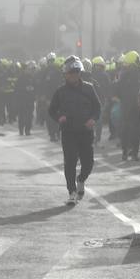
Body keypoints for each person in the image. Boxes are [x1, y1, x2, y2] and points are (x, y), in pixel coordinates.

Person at [47, 55, 102, 206]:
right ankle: (71, 191)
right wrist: (59, 117)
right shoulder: (60, 91)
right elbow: (52, 110)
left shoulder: (89, 88)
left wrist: (93, 119)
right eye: (70, 73)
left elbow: (97, 108)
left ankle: (81, 179)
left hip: (85, 131)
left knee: (88, 163)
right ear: (65, 74)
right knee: (70, 162)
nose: (73, 75)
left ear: (80, 73)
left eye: (76, 72)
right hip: (68, 132)